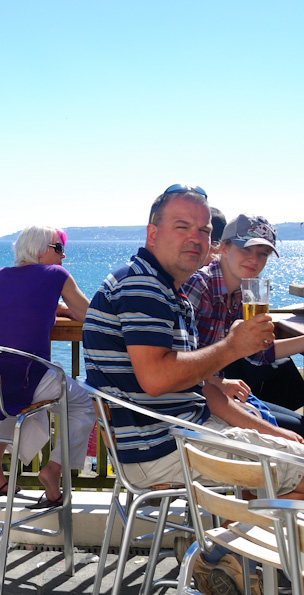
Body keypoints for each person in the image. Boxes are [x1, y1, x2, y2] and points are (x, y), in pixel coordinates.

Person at [82, 185, 304, 595]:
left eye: (202, 230)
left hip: (173, 433)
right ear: (152, 234)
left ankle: (234, 559)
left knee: (286, 449)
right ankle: (230, 559)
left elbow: (196, 383)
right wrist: (231, 348)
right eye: (182, 226)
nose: (196, 238)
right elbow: (158, 378)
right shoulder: (142, 287)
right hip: (162, 446)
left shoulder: (166, 288)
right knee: (298, 464)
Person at [0, 226, 94, 509]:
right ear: (40, 249)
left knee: (19, 400)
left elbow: (23, 305)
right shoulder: (56, 275)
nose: (63, 256)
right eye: (58, 249)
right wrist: (67, 309)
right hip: (24, 376)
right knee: (83, 405)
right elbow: (89, 314)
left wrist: (56, 308)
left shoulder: (1, 276)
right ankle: (53, 469)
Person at [183, 214, 304, 434]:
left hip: (216, 392)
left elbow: (258, 355)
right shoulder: (199, 287)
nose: (255, 260)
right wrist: (217, 383)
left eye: (263, 253)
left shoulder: (241, 294)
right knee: (296, 430)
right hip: (195, 404)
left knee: (298, 423)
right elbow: (179, 362)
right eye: (246, 249)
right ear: (225, 248)